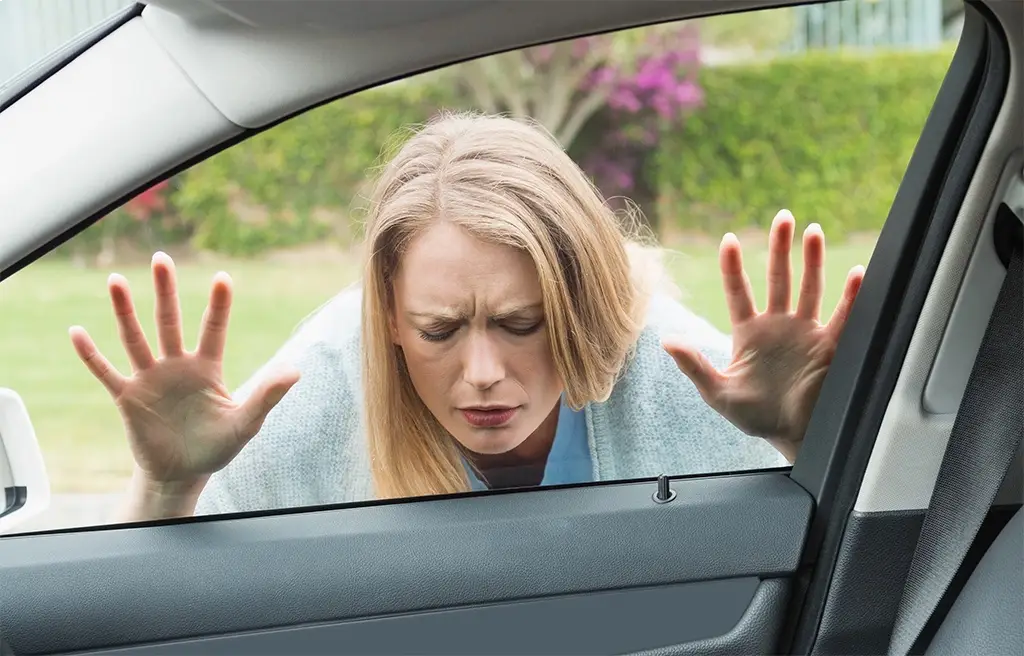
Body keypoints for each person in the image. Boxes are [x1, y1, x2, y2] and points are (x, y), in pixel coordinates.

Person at [69, 113, 864, 522]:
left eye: (522, 323)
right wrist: (168, 486)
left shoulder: (687, 374)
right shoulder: (321, 388)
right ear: (384, 314)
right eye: (439, 331)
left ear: (584, 304)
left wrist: (807, 441)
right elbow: (166, 600)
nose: (482, 373)